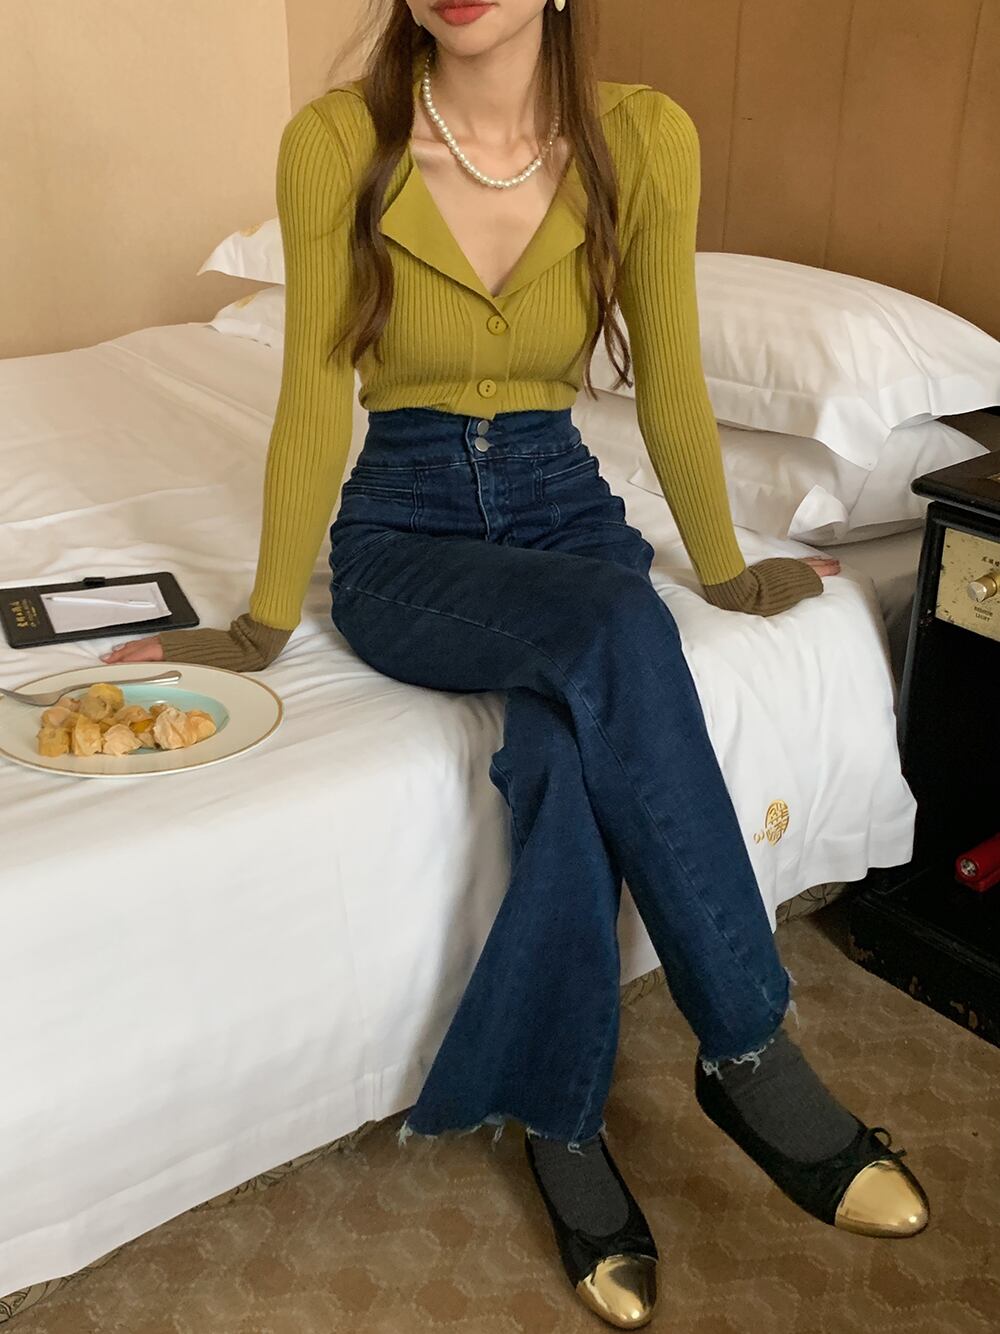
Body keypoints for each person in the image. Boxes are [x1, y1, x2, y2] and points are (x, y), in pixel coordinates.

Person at [101, 1, 929, 1327]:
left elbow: (671, 378)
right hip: (405, 529)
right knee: (617, 632)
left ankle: (561, 1119)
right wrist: (260, 623)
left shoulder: (644, 139)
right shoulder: (339, 142)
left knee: (563, 750)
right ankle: (748, 1046)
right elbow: (312, 393)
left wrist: (727, 571)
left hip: (564, 508)